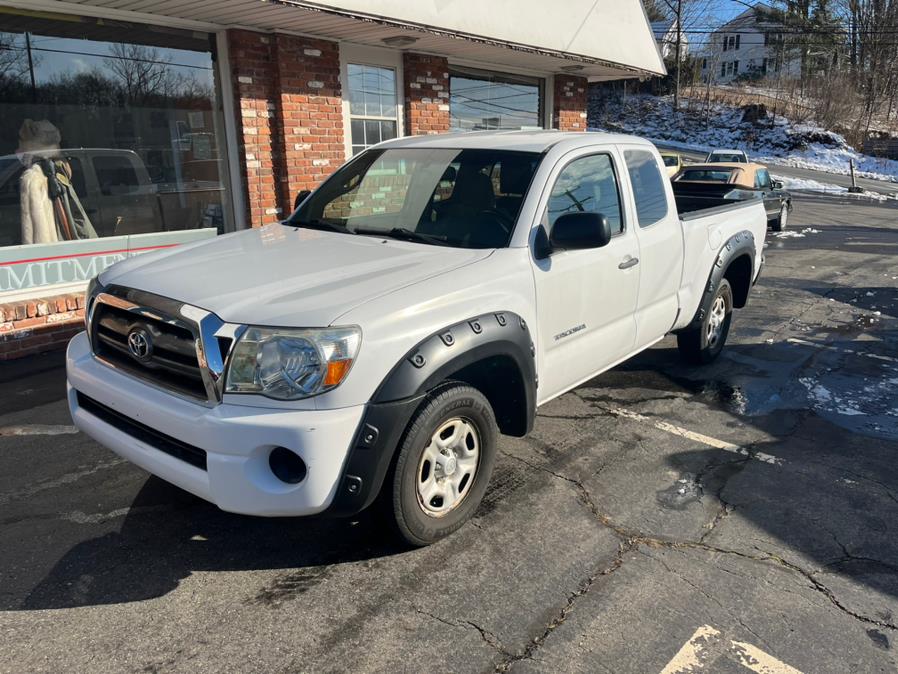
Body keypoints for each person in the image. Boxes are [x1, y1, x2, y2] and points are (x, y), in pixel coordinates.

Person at [17, 119, 97, 245]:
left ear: (29, 147)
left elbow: (31, 231)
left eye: (21, 145)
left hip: (48, 254)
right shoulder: (61, 168)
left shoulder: (32, 178)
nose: (18, 151)